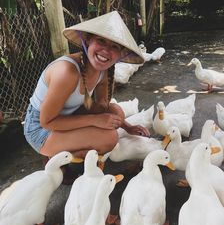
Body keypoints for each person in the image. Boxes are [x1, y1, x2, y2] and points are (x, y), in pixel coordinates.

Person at [23, 11, 150, 165]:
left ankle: (65, 147)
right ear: (88, 40)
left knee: (116, 110)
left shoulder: (103, 70)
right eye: (101, 41)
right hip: (40, 130)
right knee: (109, 139)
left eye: (114, 46)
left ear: (121, 54)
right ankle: (55, 159)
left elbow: (103, 107)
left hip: (70, 116)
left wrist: (127, 127)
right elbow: (47, 122)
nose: (106, 50)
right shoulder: (66, 72)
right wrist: (95, 121)